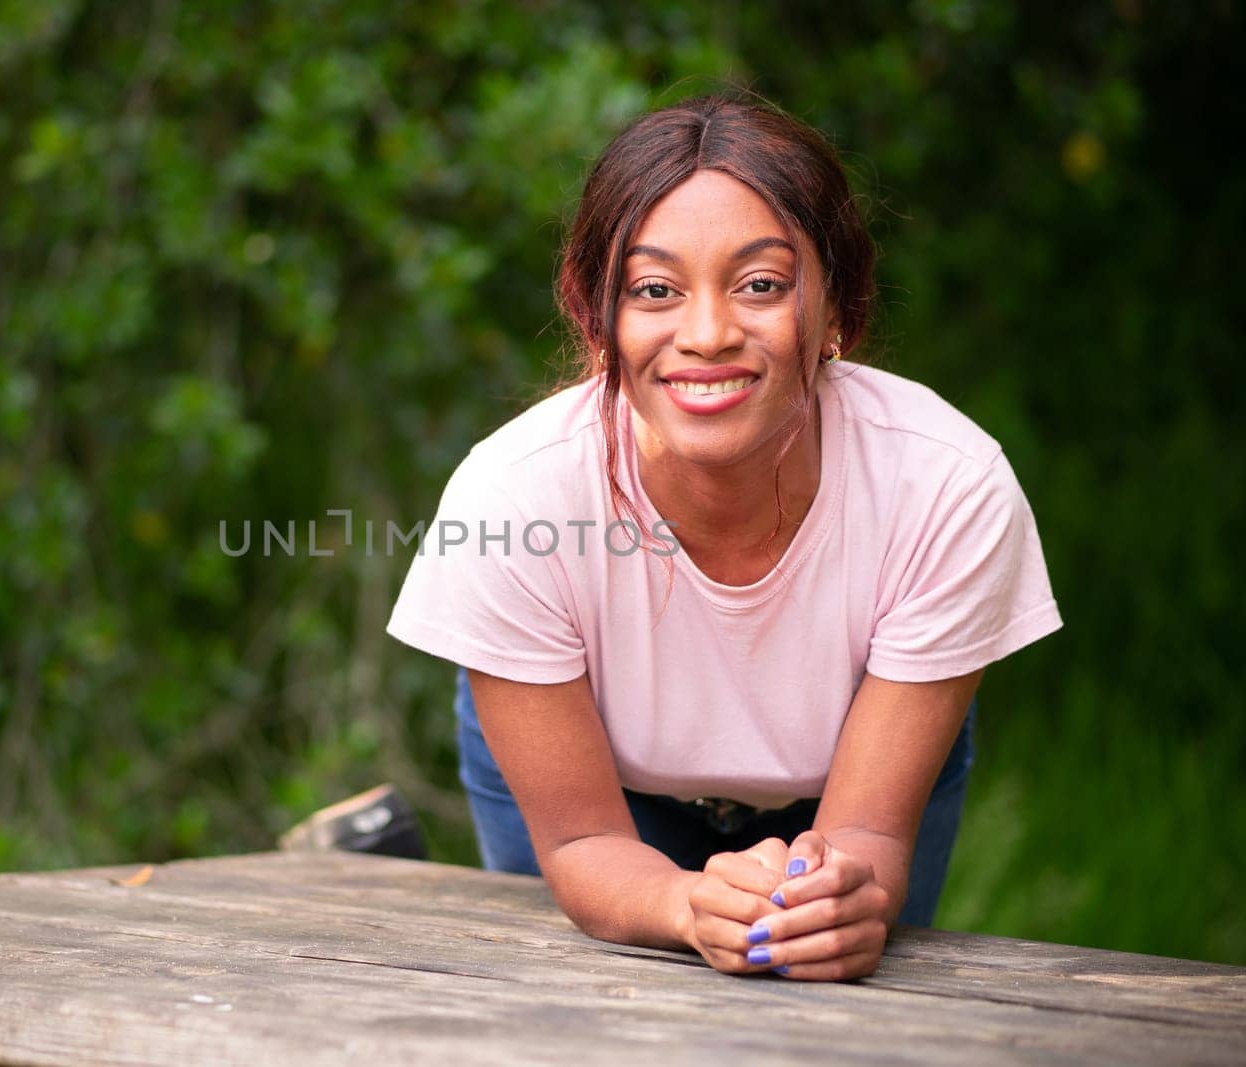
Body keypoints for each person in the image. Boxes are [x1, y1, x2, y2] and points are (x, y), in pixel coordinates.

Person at [386, 93, 1061, 982]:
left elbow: (863, 835)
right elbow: (585, 837)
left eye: (761, 284)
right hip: (601, 789)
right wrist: (678, 902)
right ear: (600, 323)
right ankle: (376, 859)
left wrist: (839, 894)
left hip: (845, 786)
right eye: (655, 290)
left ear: (838, 314)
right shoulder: (513, 498)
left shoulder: (945, 486)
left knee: (836, 988)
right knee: (571, 1016)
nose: (706, 335)